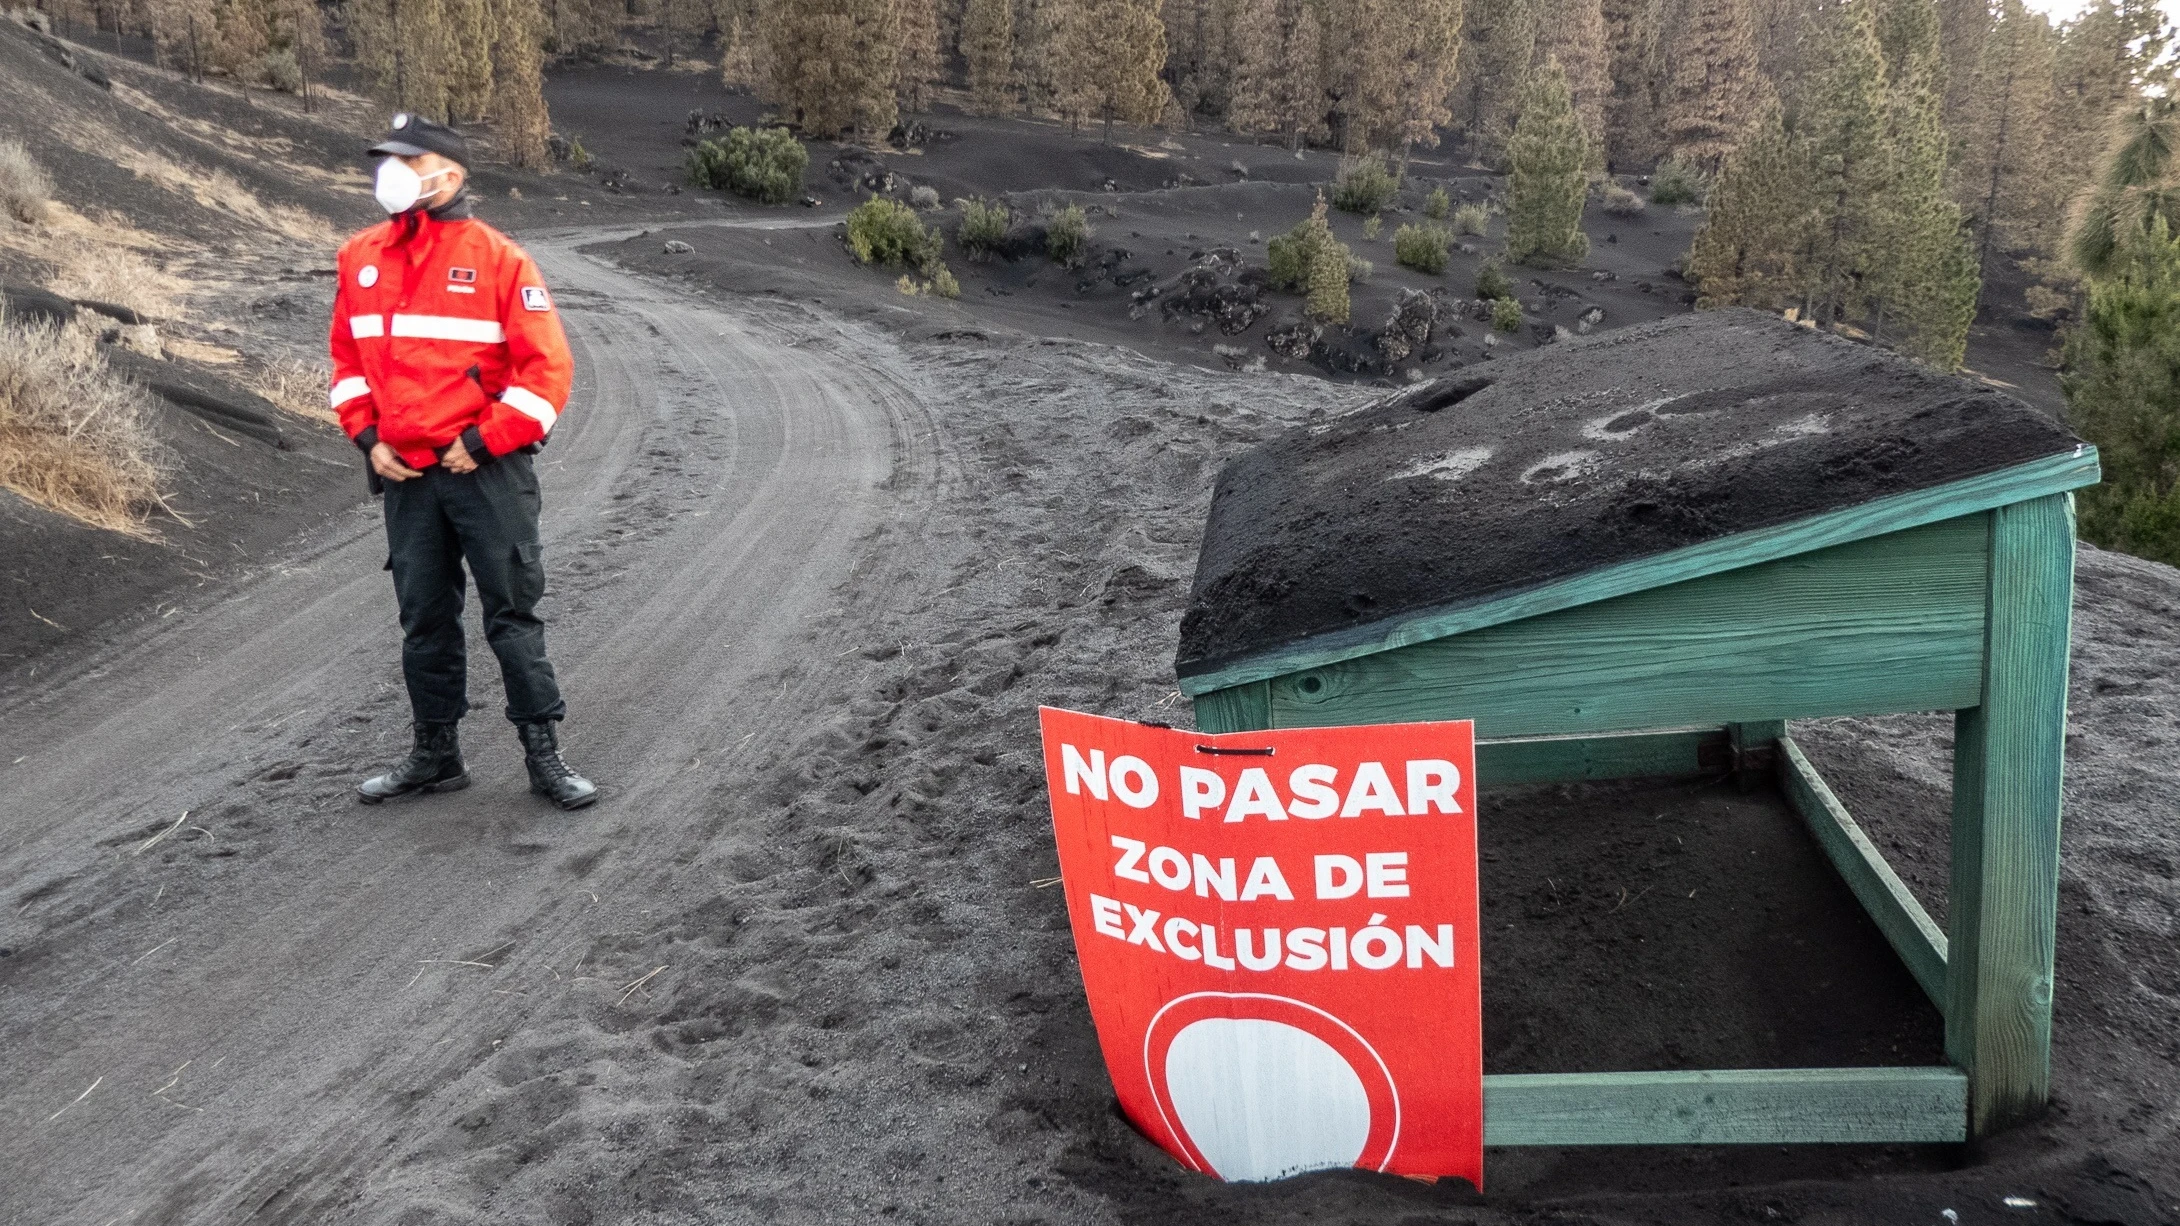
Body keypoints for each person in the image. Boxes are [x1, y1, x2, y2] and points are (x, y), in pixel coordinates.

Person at [330, 113, 597, 810]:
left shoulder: (502, 260)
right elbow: (348, 366)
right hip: (407, 477)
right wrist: (368, 438)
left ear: (450, 173)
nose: (391, 173)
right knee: (424, 619)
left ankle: (545, 757)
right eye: (387, 160)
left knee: (511, 615)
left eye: (407, 160)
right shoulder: (359, 257)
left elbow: (549, 376)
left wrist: (482, 440)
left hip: (487, 473)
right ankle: (435, 755)